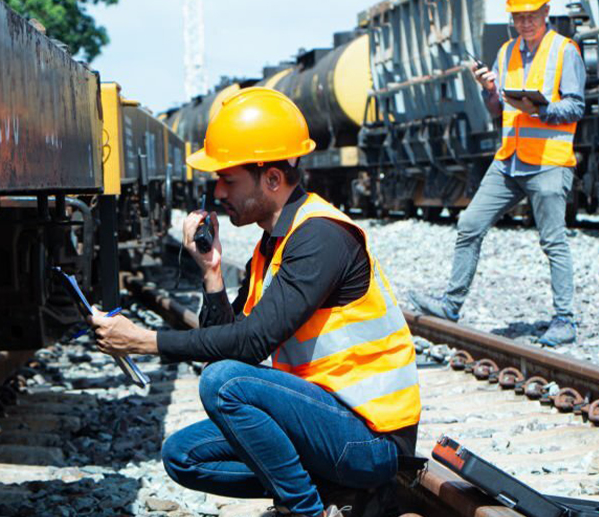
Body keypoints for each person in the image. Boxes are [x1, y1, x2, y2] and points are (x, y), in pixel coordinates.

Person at [88, 88, 421, 517]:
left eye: (229, 179)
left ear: (272, 179)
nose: (218, 192)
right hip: (322, 422)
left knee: (225, 384)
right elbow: (228, 344)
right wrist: (211, 272)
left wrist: (145, 341)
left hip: (372, 438)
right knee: (182, 455)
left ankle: (304, 510)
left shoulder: (321, 237)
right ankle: (333, 492)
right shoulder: (272, 246)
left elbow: (244, 348)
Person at [408, 0, 586, 347]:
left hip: (549, 160)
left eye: (531, 16)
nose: (525, 23)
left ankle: (565, 320)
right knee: (469, 224)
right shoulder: (506, 53)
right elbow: (497, 108)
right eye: (518, 17)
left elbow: (576, 105)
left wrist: (540, 110)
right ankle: (450, 304)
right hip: (509, 160)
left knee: (553, 241)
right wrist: (490, 89)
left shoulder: (565, 50)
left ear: (546, 12)